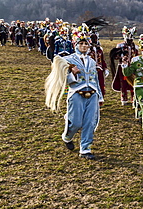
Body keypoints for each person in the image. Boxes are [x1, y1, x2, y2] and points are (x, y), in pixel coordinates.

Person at [44, 24, 104, 160]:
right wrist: (73, 75)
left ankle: (85, 149)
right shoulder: (68, 60)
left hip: (92, 94)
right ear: (75, 44)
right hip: (77, 94)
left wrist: (99, 96)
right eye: (81, 43)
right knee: (76, 122)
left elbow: (95, 80)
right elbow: (63, 79)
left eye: (86, 44)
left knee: (90, 122)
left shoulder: (92, 61)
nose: (84, 46)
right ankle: (67, 136)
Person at [110, 26, 138, 106]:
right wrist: (120, 54)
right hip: (122, 67)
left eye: (131, 38)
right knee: (123, 84)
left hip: (132, 67)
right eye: (128, 38)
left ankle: (134, 98)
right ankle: (124, 98)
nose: (129, 40)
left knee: (133, 82)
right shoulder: (120, 46)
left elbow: (137, 56)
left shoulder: (135, 47)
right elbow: (115, 57)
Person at [88, 27, 108, 97]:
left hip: (99, 70)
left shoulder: (99, 49)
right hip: (90, 71)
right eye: (92, 39)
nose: (94, 40)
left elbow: (102, 60)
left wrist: (105, 68)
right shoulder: (88, 50)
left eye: (95, 39)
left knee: (101, 85)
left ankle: (100, 99)